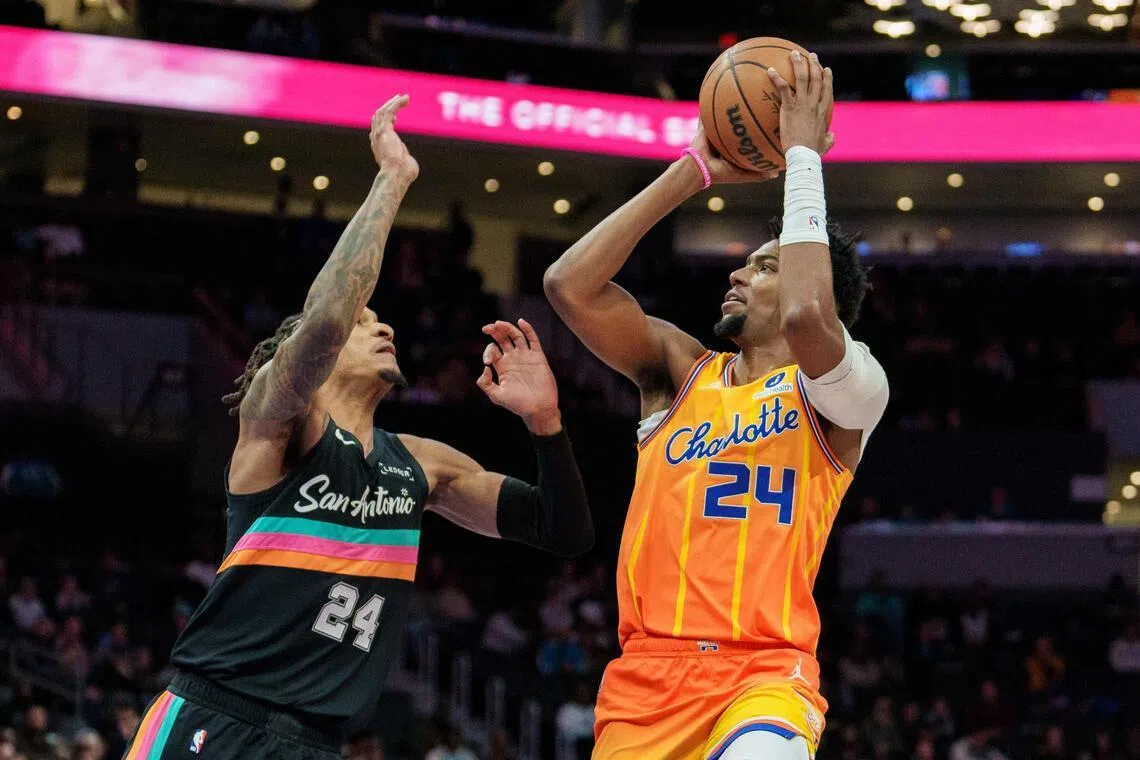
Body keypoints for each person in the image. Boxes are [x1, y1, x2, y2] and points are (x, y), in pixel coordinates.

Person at [123, 96, 593, 760]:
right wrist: (392, 179)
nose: (383, 325)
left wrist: (546, 423)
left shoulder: (422, 465)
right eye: (365, 322)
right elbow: (324, 319)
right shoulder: (279, 423)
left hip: (315, 743)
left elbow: (564, 531)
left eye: (378, 319)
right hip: (216, 717)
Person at [544, 51, 888, 760]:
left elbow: (807, 317)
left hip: (763, 674)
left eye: (765, 265)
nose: (737, 271)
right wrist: (692, 170)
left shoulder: (848, 391)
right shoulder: (679, 372)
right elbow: (567, 286)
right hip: (646, 681)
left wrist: (802, 157)